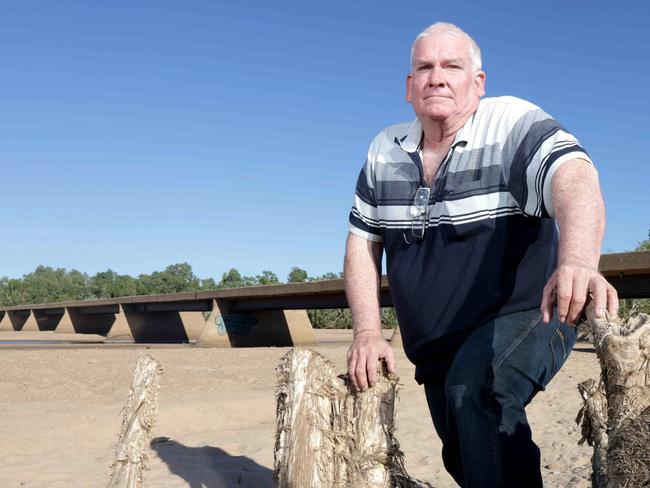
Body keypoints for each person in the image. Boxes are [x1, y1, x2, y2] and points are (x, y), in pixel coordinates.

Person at [345, 22, 619, 487]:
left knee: (477, 391)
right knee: (470, 457)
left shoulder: (510, 122)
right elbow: (362, 243)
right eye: (424, 68)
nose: (437, 77)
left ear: (478, 82)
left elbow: (575, 177)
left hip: (531, 313)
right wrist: (368, 331)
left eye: (452, 66)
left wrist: (577, 261)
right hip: (435, 350)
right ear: (409, 86)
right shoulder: (383, 150)